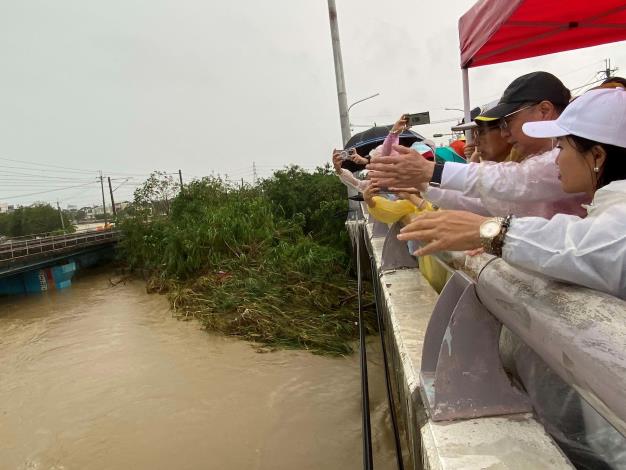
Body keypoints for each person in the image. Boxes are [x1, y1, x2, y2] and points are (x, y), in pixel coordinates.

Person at [398, 87, 626, 299]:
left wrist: (494, 233)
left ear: (597, 156)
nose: (556, 159)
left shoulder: (618, 215)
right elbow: (499, 203)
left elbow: (591, 248)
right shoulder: (607, 203)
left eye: (562, 147)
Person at [367, 72, 589, 218]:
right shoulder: (536, 162)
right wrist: (423, 183)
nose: (504, 132)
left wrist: (431, 172)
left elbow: (518, 180)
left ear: (544, 110)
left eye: (507, 121)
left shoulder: (574, 152)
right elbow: (487, 202)